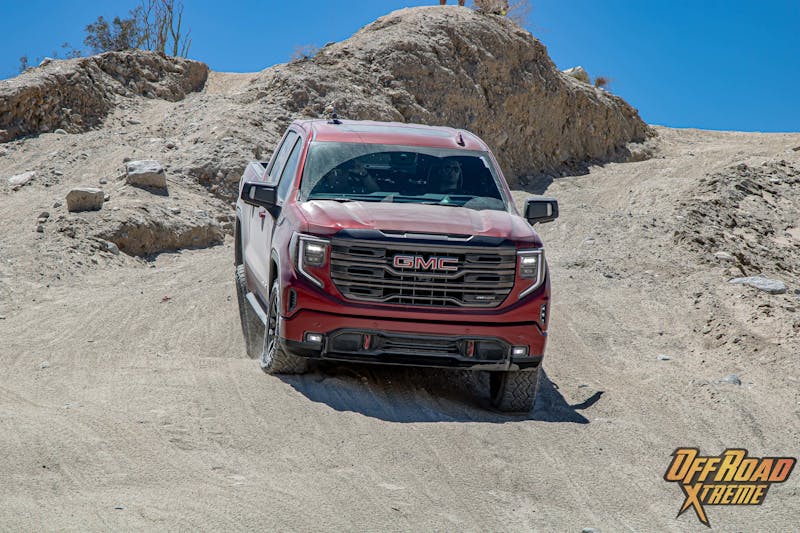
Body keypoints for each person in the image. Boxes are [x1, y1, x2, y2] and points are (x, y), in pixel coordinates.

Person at [312, 159, 379, 195]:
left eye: (343, 172)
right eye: (335, 172)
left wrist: (364, 174)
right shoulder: (318, 193)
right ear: (328, 175)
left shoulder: (354, 192)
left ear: (348, 174)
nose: (339, 176)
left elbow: (375, 192)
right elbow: (307, 192)